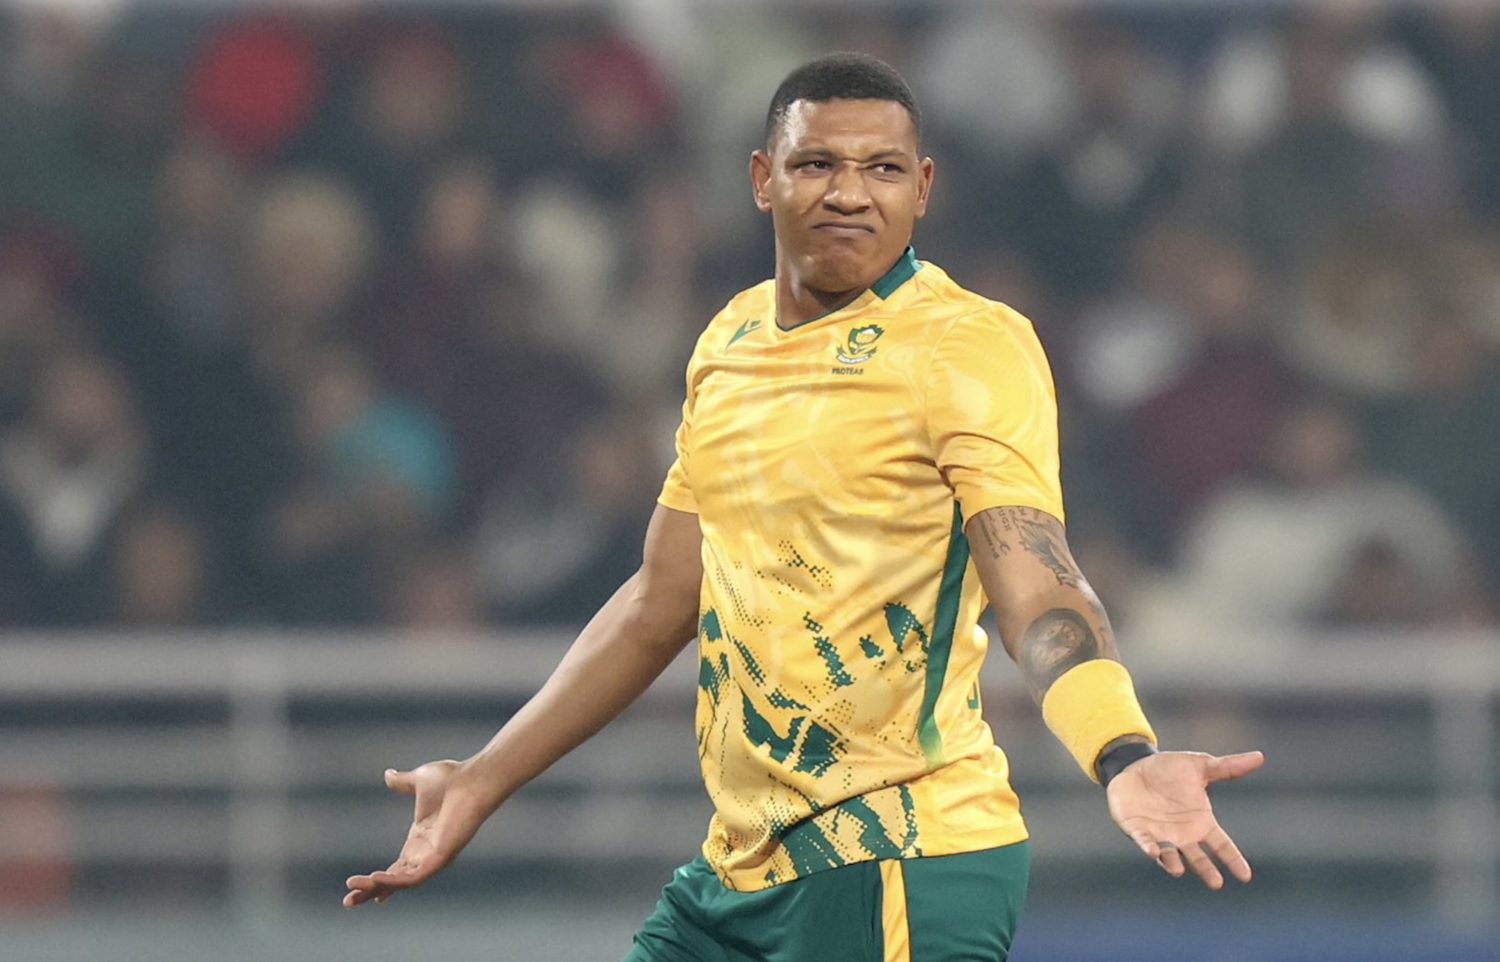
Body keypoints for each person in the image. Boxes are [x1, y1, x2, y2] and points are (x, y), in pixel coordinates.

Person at [343, 53, 1264, 960]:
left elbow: (1036, 581)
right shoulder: (730, 343)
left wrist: (1120, 750)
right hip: (739, 871)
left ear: (923, 188)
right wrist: (484, 778)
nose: (850, 193)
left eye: (883, 169)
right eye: (818, 163)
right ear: (762, 179)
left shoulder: (966, 345)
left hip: (900, 855)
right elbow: (662, 599)